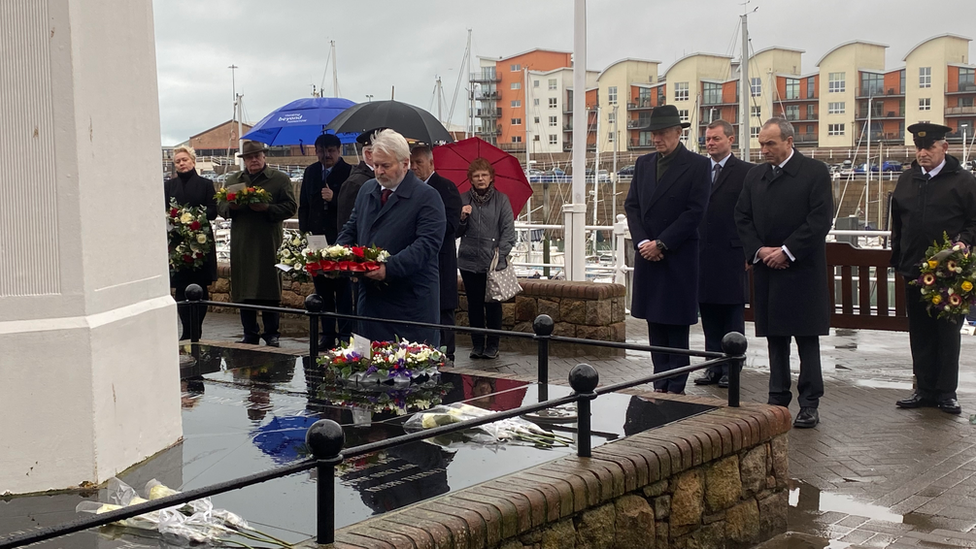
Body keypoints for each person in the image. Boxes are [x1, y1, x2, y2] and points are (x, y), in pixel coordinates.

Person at [734, 118, 832, 428]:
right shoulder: (755, 176)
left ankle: (809, 402)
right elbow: (742, 216)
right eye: (761, 144)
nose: (764, 150)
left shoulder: (814, 172)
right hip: (767, 269)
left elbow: (820, 219)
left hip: (801, 269)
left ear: (789, 142)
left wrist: (787, 251)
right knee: (775, 336)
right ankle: (777, 397)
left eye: (770, 144)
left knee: (806, 338)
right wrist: (759, 251)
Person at [623, 105, 710, 394]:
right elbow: (632, 206)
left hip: (678, 255)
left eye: (662, 134)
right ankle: (659, 382)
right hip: (648, 253)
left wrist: (662, 243)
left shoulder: (697, 165)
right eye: (654, 134)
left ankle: (676, 385)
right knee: (655, 324)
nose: (657, 139)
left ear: (678, 133)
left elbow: (695, 211)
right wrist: (642, 242)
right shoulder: (644, 163)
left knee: (676, 325)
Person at [890, 123, 976, 415]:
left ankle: (946, 393)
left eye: (929, 148)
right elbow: (898, 224)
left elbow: (973, 223)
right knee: (920, 331)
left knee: (947, 333)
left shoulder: (964, 182)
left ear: (944, 148)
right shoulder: (906, 180)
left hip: (950, 272)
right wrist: (898, 258)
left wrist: (964, 242)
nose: (923, 153)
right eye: (918, 148)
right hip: (914, 267)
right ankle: (923, 389)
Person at [336, 129, 445, 345]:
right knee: (368, 372)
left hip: (409, 304)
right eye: (376, 165)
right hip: (371, 303)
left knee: (409, 373)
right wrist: (336, 257)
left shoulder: (427, 197)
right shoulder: (367, 190)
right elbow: (351, 228)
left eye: (386, 166)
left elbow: (427, 245)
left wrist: (389, 267)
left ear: (405, 164)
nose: (379, 171)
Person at [217, 140, 298, 347]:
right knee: (244, 287)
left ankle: (272, 332)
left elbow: (290, 207)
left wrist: (268, 208)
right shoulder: (234, 179)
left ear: (264, 157)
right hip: (242, 241)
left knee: (269, 286)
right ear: (244, 160)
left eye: (257, 156)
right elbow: (221, 205)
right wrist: (231, 207)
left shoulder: (279, 179)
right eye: (249, 157)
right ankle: (249, 332)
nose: (253, 160)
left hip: (268, 241)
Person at [694, 120, 754, 388]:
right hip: (702, 254)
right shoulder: (698, 171)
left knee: (731, 313)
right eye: (707, 139)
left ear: (731, 139)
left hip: (732, 254)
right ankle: (713, 366)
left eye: (716, 139)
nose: (710, 144)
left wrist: (750, 250)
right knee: (708, 312)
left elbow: (752, 214)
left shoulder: (746, 172)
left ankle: (733, 368)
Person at [457, 158, 516, 359]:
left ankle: (493, 345)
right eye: (476, 176)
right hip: (468, 261)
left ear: (491, 177)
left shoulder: (502, 200)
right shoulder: (463, 199)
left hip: (492, 262)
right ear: (470, 180)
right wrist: (462, 218)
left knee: (492, 305)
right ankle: (477, 345)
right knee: (473, 305)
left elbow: (508, 231)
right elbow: (454, 232)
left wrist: (500, 256)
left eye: (484, 175)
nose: (480, 179)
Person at [299, 133, 353, 350]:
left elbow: (352, 207)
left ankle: (345, 334)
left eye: (330, 150)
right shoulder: (311, 172)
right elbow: (303, 205)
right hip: (316, 240)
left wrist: (334, 198)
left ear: (339, 151)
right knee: (322, 291)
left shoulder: (349, 172)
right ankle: (328, 334)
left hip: (339, 239)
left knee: (342, 291)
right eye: (321, 150)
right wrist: (304, 234)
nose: (326, 155)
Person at [411, 144, 463, 361]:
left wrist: (426, 229)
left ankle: (447, 354)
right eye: (411, 163)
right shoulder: (410, 189)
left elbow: (452, 226)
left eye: (418, 163)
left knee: (443, 311)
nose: (414, 167)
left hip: (441, 260)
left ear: (431, 164)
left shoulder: (446, 188)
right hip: (416, 261)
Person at [164, 145, 217, 340]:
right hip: (178, 243)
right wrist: (176, 218)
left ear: (193, 161)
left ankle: (197, 330)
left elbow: (213, 210)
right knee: (180, 287)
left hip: (200, 240)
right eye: (177, 161)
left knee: (200, 286)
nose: (181, 163)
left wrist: (194, 216)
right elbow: (164, 211)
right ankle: (186, 331)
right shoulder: (168, 186)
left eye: (184, 160)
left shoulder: (206, 184)